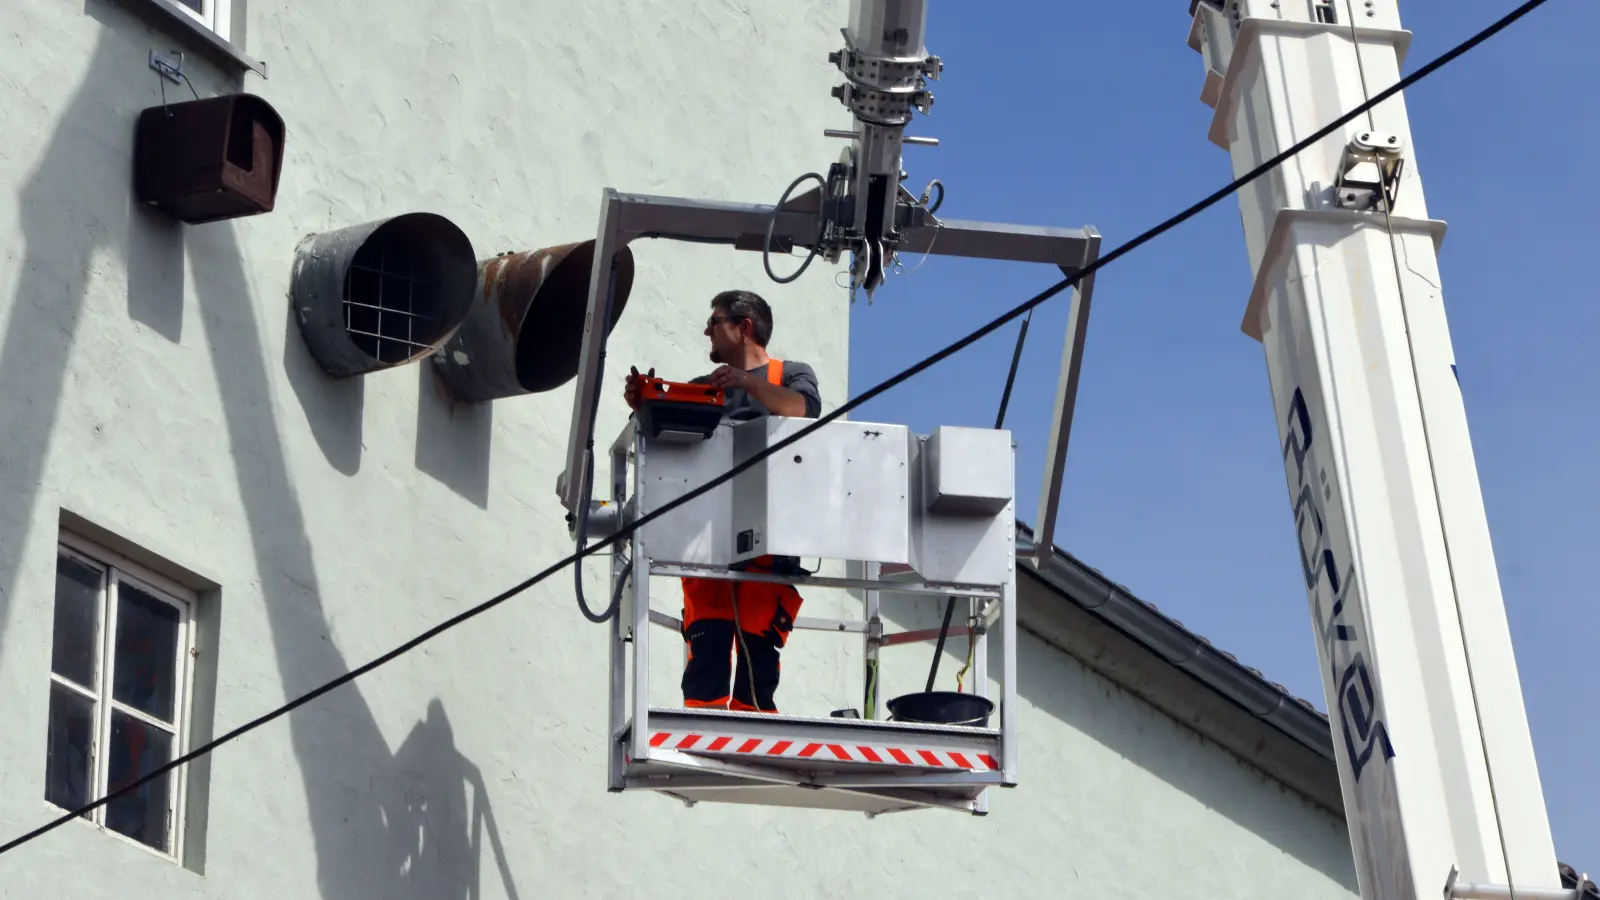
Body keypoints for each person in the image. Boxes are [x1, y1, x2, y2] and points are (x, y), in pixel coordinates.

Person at [623, 290, 823, 713]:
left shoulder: (791, 374)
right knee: (707, 652)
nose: (706, 331)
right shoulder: (704, 389)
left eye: (714, 322)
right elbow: (667, 435)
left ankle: (754, 738)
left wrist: (747, 382)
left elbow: (803, 411)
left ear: (744, 326)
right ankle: (703, 732)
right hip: (707, 544)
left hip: (769, 549)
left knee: (758, 660)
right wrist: (645, 403)